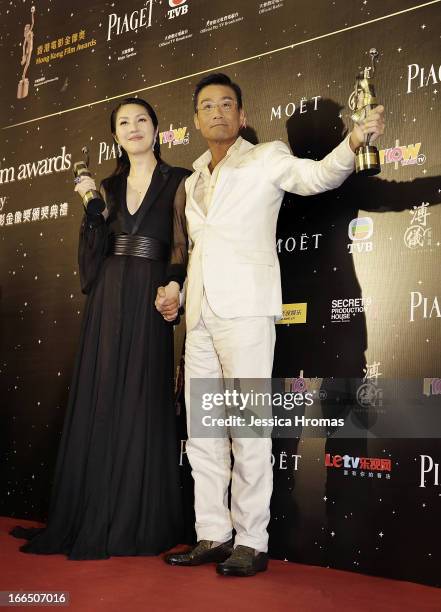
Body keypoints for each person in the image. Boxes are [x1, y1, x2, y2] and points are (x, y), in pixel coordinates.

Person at [156, 73, 385, 576]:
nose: (217, 112)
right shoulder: (192, 180)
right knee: (204, 435)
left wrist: (354, 141)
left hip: (246, 312)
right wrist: (177, 291)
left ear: (241, 116)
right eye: (207, 106)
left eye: (227, 105)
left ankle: (252, 541)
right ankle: (212, 534)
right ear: (195, 121)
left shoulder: (266, 157)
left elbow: (318, 177)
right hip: (200, 318)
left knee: (249, 430)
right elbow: (196, 249)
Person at [11, 97, 190, 559]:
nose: (133, 128)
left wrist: (174, 284)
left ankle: (137, 519)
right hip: (109, 298)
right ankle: (90, 512)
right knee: (104, 396)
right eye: (124, 123)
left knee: (141, 397)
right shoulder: (104, 187)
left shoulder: (180, 181)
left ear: (157, 127)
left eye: (142, 120)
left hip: (151, 295)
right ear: (115, 135)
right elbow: (90, 264)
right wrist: (91, 214)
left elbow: (183, 245)